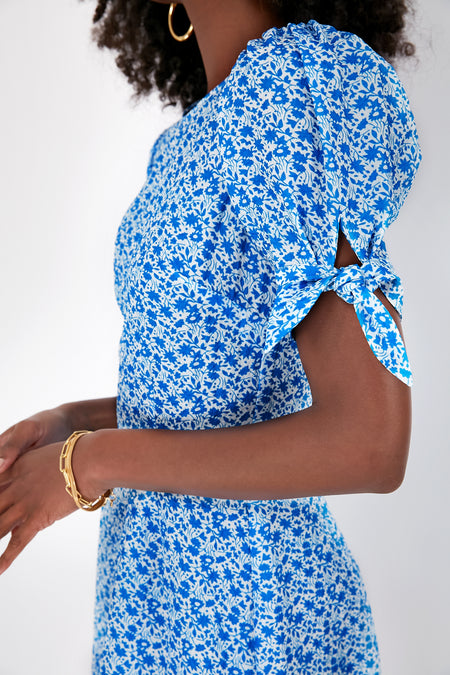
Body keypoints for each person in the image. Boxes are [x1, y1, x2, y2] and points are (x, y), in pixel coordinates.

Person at [0, 0, 421, 672]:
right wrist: (76, 423)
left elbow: (369, 441)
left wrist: (90, 462)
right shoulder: (189, 142)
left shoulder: (292, 93)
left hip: (250, 615)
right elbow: (221, 388)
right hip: (153, 598)